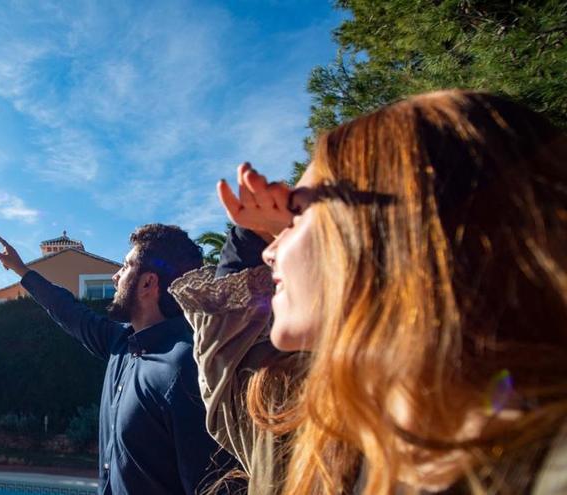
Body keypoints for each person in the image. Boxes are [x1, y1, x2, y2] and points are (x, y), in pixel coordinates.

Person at [170, 90, 567, 494]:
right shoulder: (329, 437)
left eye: (297, 216)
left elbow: (228, 363)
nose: (271, 250)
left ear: (392, 233)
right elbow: (232, 374)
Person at [0, 224, 237, 494]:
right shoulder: (119, 343)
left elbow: (213, 486)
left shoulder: (185, 367)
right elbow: (69, 311)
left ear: (148, 283)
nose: (115, 276)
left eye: (125, 266)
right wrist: (22, 271)